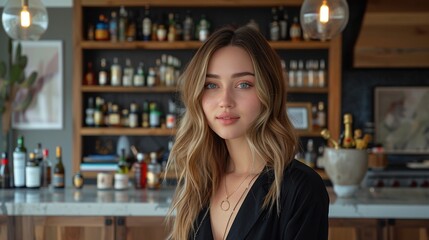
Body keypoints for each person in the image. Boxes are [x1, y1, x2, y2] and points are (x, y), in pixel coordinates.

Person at [166, 26, 329, 240]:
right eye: (211, 85)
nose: (225, 101)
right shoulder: (199, 183)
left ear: (269, 92)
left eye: (244, 84)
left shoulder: (300, 189)